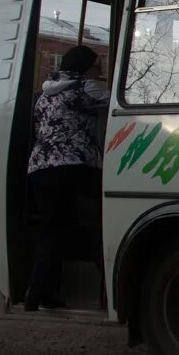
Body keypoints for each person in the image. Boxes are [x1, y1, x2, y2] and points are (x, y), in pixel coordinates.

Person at [24, 44, 110, 311]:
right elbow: (123, 99)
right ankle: (111, 292)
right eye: (98, 65)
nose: (101, 71)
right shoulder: (85, 88)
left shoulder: (45, 92)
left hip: (40, 168)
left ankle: (37, 295)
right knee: (100, 223)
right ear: (86, 67)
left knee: (53, 230)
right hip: (75, 166)